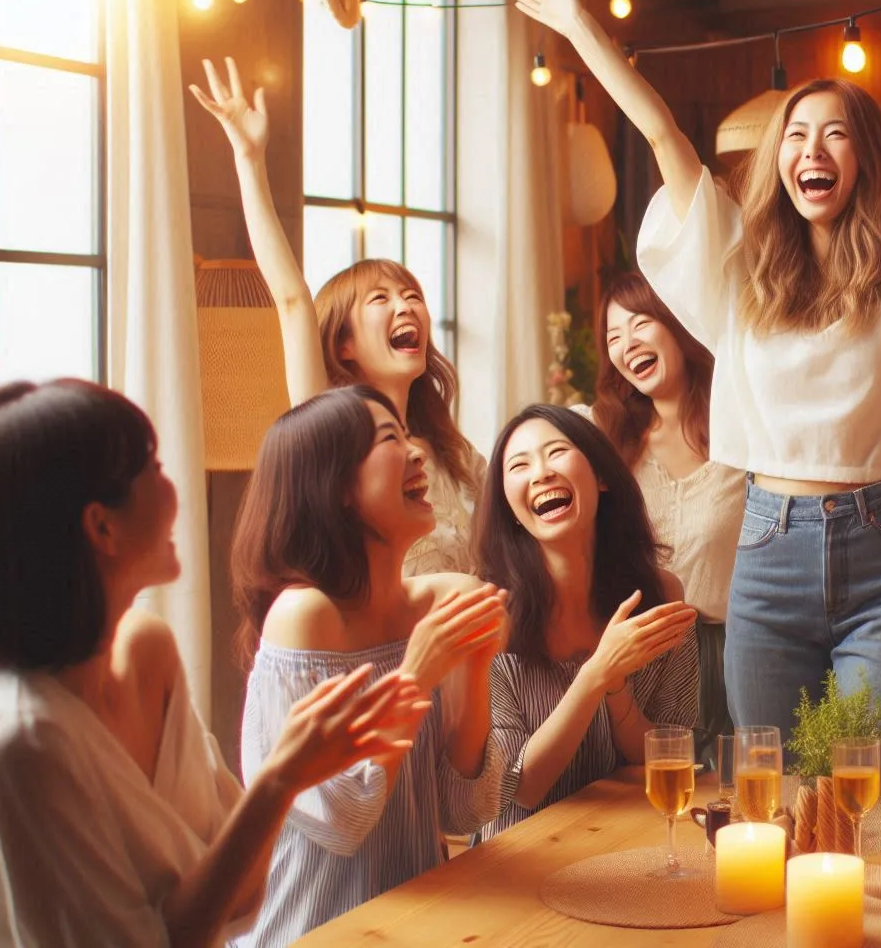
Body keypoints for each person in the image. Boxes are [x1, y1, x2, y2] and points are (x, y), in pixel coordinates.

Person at [513, 0, 881, 779]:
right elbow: (664, 140)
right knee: (778, 788)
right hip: (770, 553)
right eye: (795, 136)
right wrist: (579, 28)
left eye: (833, 135)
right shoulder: (738, 274)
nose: (810, 151)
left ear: (865, 156)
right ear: (777, 162)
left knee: (858, 777)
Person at [0, 380, 423, 947]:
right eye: (153, 469)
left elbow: (238, 898)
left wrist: (285, 782)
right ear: (101, 527)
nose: (174, 489)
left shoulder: (146, 652)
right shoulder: (17, 742)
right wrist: (281, 778)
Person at [230, 387, 509, 945]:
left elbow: (467, 811)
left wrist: (473, 670)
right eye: (389, 440)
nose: (416, 454)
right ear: (336, 489)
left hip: (415, 928)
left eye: (408, 435)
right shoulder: (303, 615)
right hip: (311, 931)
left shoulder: (435, 602)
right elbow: (342, 820)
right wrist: (417, 675)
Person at [191, 57, 482, 575]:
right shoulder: (333, 431)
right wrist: (249, 158)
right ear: (343, 343)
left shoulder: (450, 450)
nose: (406, 305)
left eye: (411, 294)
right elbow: (291, 299)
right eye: (380, 299)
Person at [472, 404, 699, 837]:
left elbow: (667, 758)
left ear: (601, 476)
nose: (540, 474)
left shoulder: (660, 596)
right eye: (519, 465)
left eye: (556, 452)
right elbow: (519, 786)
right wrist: (597, 672)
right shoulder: (489, 613)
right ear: (508, 505)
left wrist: (616, 689)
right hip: (518, 861)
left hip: (625, 841)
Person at [593, 273, 743, 766]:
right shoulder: (609, 446)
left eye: (640, 324)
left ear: (679, 322)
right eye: (613, 337)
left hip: (734, 653)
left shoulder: (741, 431)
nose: (626, 344)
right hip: (642, 656)